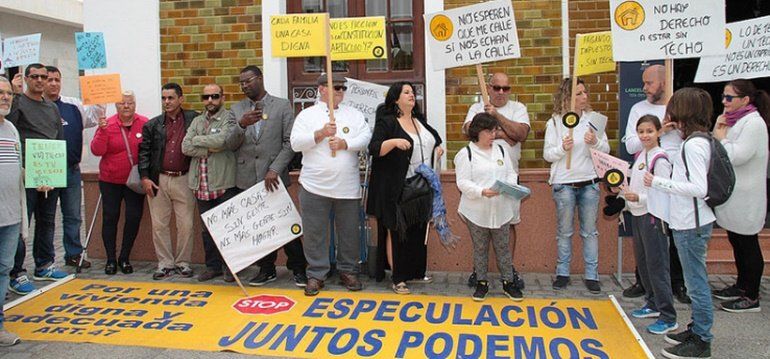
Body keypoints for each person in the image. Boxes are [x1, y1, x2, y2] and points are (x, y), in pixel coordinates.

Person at [645, 87, 715, 359]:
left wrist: (659, 182)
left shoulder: (694, 145)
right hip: (688, 220)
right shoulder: (696, 140)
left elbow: (698, 187)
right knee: (693, 279)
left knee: (696, 282)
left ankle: (702, 339)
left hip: (692, 223)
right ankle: (696, 327)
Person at [224, 65, 306, 286]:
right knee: (257, 228)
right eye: (241, 82)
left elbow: (290, 143)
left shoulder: (281, 105)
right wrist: (242, 124)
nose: (244, 85)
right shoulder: (236, 109)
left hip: (274, 178)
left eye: (248, 81)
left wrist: (275, 169)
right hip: (246, 178)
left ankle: (299, 267)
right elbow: (229, 144)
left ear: (259, 78)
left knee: (286, 225)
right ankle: (266, 269)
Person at [290, 73, 371, 296]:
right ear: (321, 89)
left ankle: (348, 270)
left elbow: (366, 138)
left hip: (347, 186)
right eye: (335, 87)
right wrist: (320, 133)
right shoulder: (307, 115)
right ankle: (316, 273)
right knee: (315, 232)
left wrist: (346, 143)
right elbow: (296, 143)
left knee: (349, 233)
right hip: (314, 185)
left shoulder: (354, 115)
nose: (340, 92)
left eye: (342, 88)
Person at [367, 81, 443, 295]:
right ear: (395, 98)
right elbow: (374, 148)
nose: (412, 95)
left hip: (420, 187)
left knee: (417, 230)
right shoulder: (388, 122)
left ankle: (413, 272)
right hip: (395, 188)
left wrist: (438, 149)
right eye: (406, 92)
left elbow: (435, 139)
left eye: (413, 92)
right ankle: (398, 278)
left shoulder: (419, 120)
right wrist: (393, 142)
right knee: (397, 231)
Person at [622, 64, 688, 303]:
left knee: (673, 232)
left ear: (663, 82)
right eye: (643, 82)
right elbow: (631, 145)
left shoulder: (678, 107)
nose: (644, 88)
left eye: (649, 83)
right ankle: (645, 282)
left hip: (677, 179)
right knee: (647, 238)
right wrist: (658, 133)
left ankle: (677, 283)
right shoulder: (639, 108)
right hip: (647, 179)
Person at [462, 72, 529, 289]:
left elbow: (520, 134)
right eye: (497, 88)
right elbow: (468, 131)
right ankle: (479, 271)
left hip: (507, 178)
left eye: (506, 88)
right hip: (481, 179)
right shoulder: (476, 107)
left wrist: (497, 118)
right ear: (489, 88)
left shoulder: (518, 108)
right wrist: (504, 134)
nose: (501, 92)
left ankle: (508, 270)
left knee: (508, 224)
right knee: (480, 230)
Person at [543, 77, 609, 294]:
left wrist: (595, 143)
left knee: (590, 231)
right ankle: (562, 272)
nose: (584, 97)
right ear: (567, 97)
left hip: (589, 182)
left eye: (584, 92)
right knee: (565, 231)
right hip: (564, 184)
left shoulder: (594, 120)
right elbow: (548, 154)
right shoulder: (554, 122)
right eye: (578, 94)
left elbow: (606, 150)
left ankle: (592, 274)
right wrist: (562, 148)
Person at [7, 64, 68, 296]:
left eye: (44, 77)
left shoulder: (51, 107)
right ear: (27, 79)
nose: (41, 80)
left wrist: (57, 171)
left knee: (48, 220)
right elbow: (9, 126)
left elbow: (58, 137)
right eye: (36, 77)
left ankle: (44, 264)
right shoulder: (18, 103)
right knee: (23, 225)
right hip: (25, 173)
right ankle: (17, 272)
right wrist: (13, 94)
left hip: (49, 173)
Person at [711, 79, 769, 313]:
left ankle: (751, 295)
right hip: (733, 193)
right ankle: (741, 284)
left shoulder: (754, 124)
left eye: (729, 97)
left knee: (748, 243)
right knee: (736, 240)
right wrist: (720, 133)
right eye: (723, 96)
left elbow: (737, 155)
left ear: (745, 100)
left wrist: (721, 138)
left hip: (747, 194)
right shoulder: (734, 121)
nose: (724, 102)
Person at [454, 113, 522, 301]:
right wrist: (482, 191)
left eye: (495, 130)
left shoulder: (501, 150)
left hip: (501, 208)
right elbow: (463, 182)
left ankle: (508, 283)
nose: (493, 135)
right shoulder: (465, 154)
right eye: (489, 131)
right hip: (476, 210)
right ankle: (481, 283)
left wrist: (508, 186)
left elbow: (510, 173)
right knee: (480, 247)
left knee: (503, 247)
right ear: (477, 132)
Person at [621, 115, 678, 335]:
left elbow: (664, 192)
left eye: (649, 131)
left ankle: (668, 316)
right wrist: (626, 196)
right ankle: (653, 303)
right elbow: (636, 186)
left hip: (653, 217)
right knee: (644, 264)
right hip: (638, 215)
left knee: (657, 266)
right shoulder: (641, 156)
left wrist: (640, 199)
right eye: (641, 131)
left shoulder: (660, 159)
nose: (645, 135)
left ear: (658, 132)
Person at [138, 83, 199, 280]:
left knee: (186, 224)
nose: (166, 102)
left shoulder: (194, 119)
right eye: (163, 98)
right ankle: (165, 263)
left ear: (181, 99)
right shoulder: (152, 125)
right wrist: (145, 177)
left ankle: (183, 262)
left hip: (185, 178)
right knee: (159, 224)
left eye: (171, 98)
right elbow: (144, 153)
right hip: (159, 179)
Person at [44, 65, 102, 270]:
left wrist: (100, 93)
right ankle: (45, 261)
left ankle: (73, 254)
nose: (53, 83)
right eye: (48, 79)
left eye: (56, 79)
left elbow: (94, 118)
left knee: (73, 216)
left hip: (71, 170)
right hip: (46, 172)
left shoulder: (73, 105)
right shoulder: (37, 106)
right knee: (47, 218)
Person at [182, 84, 237, 281]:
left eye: (214, 96)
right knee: (207, 230)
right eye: (206, 97)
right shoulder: (197, 120)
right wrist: (207, 147)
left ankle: (230, 268)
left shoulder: (229, 118)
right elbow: (185, 146)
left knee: (227, 228)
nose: (210, 101)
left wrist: (198, 140)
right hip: (201, 185)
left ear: (222, 97)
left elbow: (222, 141)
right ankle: (212, 266)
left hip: (222, 183)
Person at [89, 91, 148, 274]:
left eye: (130, 102)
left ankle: (124, 257)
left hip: (134, 182)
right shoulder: (108, 124)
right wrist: (102, 131)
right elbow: (96, 151)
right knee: (110, 218)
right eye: (122, 103)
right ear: (116, 106)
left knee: (133, 217)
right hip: (110, 181)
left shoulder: (144, 123)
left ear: (135, 104)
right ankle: (111, 259)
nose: (126, 106)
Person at [0, 75, 24, 346]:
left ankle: (0, 326)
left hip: (10, 216)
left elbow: (16, 171)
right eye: (1, 93)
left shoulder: (11, 130)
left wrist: (38, 179)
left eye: (8, 93)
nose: (5, 97)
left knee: (4, 270)